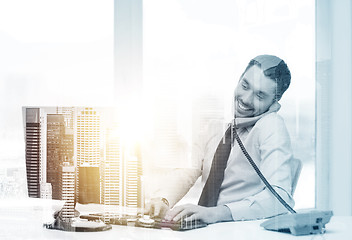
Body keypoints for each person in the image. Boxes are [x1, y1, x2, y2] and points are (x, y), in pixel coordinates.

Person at [146, 55, 295, 225]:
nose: (246, 99)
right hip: (207, 228)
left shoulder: (270, 125)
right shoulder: (218, 125)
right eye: (245, 86)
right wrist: (163, 199)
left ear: (274, 102)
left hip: (238, 228)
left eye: (260, 96)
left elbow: (280, 197)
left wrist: (217, 213)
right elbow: (188, 170)